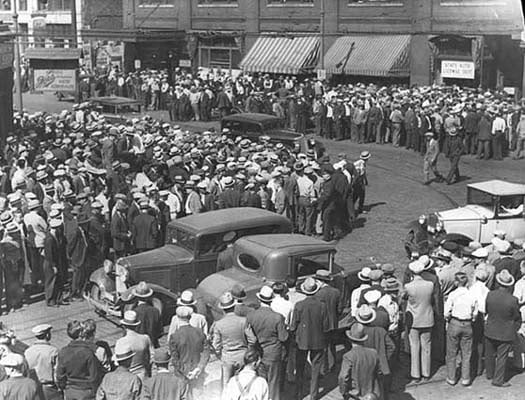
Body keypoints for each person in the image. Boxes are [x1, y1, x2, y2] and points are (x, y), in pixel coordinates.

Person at [246, 286, 288, 400]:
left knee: (259, 382)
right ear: (271, 300)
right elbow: (283, 338)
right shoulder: (278, 317)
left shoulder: (250, 316)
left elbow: (248, 334)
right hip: (274, 354)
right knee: (274, 383)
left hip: (258, 353)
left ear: (259, 300)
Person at [291, 277, 329, 400]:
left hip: (302, 340)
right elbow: (326, 325)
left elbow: (293, 325)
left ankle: (298, 393)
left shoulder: (299, 305)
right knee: (316, 368)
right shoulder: (322, 306)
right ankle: (313, 394)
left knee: (300, 367)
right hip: (318, 340)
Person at [484, 269, 520, 387]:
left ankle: (489, 373)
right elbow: (516, 316)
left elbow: (487, 310)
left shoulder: (490, 294)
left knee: (489, 353)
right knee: (502, 356)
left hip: (490, 328)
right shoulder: (513, 300)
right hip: (505, 331)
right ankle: (498, 379)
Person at [211, 292, 251, 396]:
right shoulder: (243, 321)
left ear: (223, 309)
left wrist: (220, 355)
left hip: (227, 357)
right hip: (242, 356)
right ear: (234, 306)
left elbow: (216, 345)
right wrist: (248, 350)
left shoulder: (219, 324)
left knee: (227, 385)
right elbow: (252, 339)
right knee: (243, 383)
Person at [444, 271, 478, 386]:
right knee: (466, 353)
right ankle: (465, 378)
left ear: (456, 282)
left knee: (451, 353)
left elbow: (446, 312)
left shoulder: (453, 295)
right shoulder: (472, 295)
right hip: (467, 325)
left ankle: (451, 377)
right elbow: (475, 313)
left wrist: (449, 318)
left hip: (455, 323)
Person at [168, 305, 210, 399]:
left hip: (181, 374)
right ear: (190, 317)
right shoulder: (200, 333)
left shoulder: (174, 336)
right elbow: (206, 353)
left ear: (177, 318)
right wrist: (198, 368)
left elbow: (175, 359)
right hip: (198, 373)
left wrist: (185, 372)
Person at [404, 259, 434, 383]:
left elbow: (404, 298)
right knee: (426, 346)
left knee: (414, 346)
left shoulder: (408, 286)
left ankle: (415, 374)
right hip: (427, 317)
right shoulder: (430, 284)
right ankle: (426, 372)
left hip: (414, 319)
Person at [56, 320, 103, 400]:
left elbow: (60, 375)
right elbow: (93, 377)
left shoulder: (63, 351)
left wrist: (64, 388)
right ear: (81, 334)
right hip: (86, 392)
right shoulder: (88, 353)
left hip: (70, 391)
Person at [338, 323, 381, 399]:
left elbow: (343, 376)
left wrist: (343, 391)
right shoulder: (374, 353)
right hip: (372, 394)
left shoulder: (348, 356)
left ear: (350, 339)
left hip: (356, 395)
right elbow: (379, 372)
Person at [24, 324, 61, 400]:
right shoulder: (53, 351)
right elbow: (56, 372)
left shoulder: (28, 351)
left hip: (34, 387)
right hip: (49, 388)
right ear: (47, 335)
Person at [115, 310, 153, 380]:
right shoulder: (145, 338)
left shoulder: (121, 342)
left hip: (127, 376)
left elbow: (117, 361)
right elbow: (152, 357)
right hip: (143, 374)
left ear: (124, 326)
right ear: (137, 325)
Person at [132, 282, 162, 348]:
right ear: (148, 296)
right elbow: (160, 332)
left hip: (138, 346)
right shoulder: (155, 311)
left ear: (136, 296)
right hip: (152, 345)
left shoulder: (134, 312)